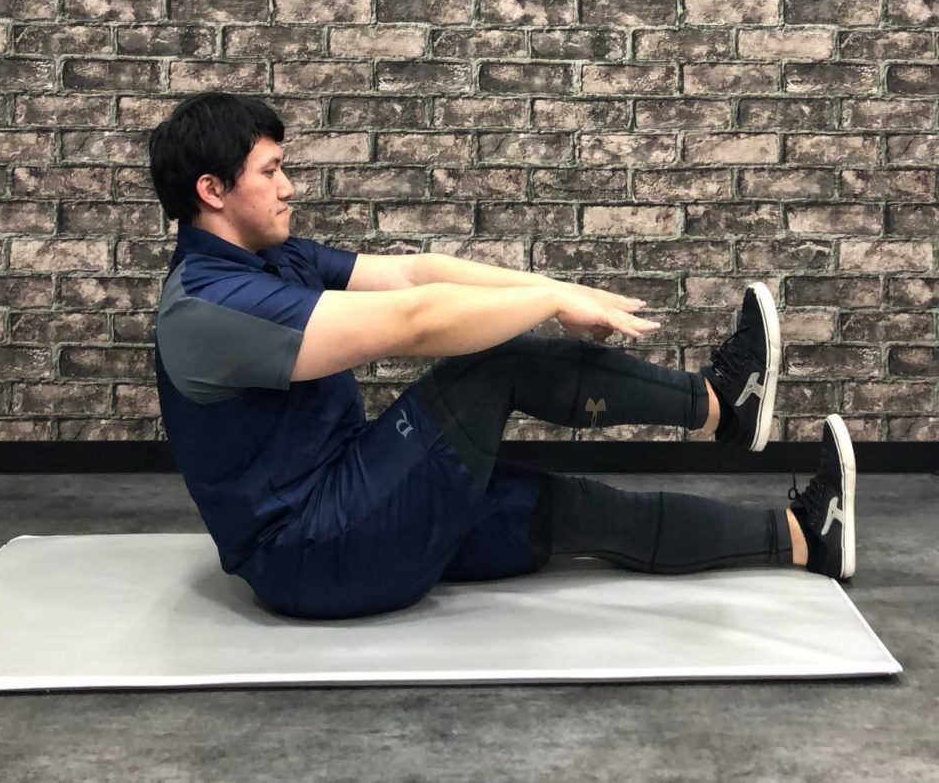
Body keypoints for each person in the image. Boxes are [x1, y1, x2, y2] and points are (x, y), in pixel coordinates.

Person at [148, 91, 856, 621]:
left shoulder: (271, 259)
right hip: (315, 550)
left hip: (355, 500)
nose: (289, 187)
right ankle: (721, 406)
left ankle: (804, 537)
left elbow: (415, 274)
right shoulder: (209, 308)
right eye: (271, 171)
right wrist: (548, 303)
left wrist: (559, 288)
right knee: (491, 366)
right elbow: (416, 321)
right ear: (213, 190)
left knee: (575, 509)